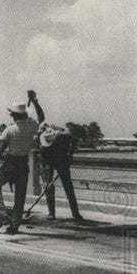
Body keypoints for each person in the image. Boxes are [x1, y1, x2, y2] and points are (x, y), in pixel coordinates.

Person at [26, 92, 84, 222]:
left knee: (68, 186)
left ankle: (76, 213)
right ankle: (51, 213)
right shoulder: (41, 139)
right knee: (48, 186)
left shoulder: (63, 136)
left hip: (63, 161)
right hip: (47, 161)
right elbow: (40, 119)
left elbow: (76, 141)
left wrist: (70, 155)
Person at [0, 100, 40, 234]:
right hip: (23, 163)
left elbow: (1, 148)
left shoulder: (9, 129)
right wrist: (34, 101)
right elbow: (41, 118)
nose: (11, 116)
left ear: (15, 116)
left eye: (12, 114)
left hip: (10, 163)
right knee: (20, 195)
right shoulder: (32, 127)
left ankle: (1, 216)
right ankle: (14, 226)